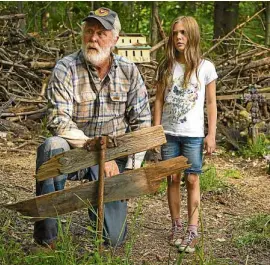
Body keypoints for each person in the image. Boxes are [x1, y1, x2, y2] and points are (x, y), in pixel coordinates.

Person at [34, 7, 151, 249]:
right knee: (51, 146)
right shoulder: (66, 68)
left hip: (113, 159)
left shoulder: (129, 72)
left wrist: (130, 169)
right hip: (76, 152)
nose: (93, 39)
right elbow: (59, 120)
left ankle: (102, 213)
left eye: (101, 33)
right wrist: (97, 153)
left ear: (115, 39)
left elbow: (142, 123)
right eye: (89, 31)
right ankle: (47, 239)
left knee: (114, 239)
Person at [154, 16, 217, 253]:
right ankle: (176, 225)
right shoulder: (166, 66)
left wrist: (211, 135)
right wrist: (156, 131)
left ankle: (192, 229)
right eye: (174, 33)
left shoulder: (206, 67)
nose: (178, 37)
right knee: (173, 178)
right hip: (169, 133)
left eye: (183, 32)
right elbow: (158, 101)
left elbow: (211, 103)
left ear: (192, 35)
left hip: (193, 135)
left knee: (192, 179)